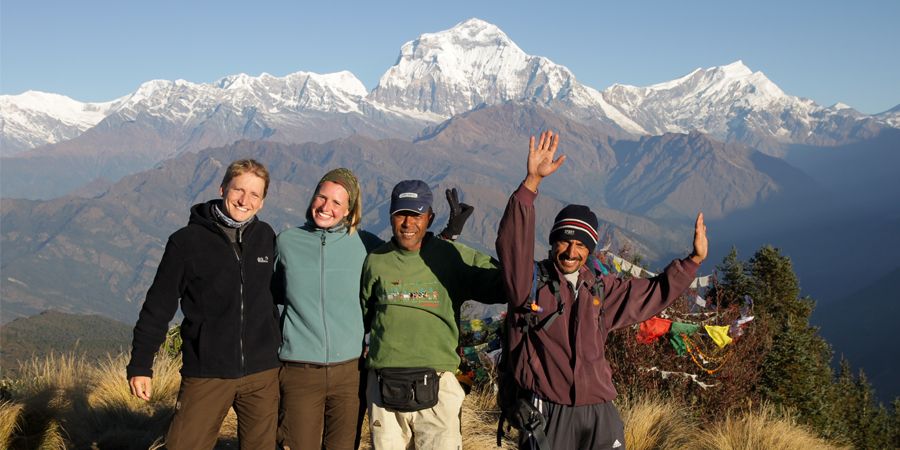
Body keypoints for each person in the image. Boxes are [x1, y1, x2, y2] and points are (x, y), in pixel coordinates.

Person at [495, 131, 708, 450]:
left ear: (590, 251)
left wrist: (692, 262)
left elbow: (652, 294)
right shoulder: (529, 283)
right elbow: (512, 245)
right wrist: (530, 184)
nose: (570, 252)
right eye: (565, 241)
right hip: (549, 411)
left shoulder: (601, 290)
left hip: (600, 412)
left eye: (581, 245)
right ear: (553, 242)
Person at [275, 171, 476, 450]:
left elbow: (407, 259)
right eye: (322, 197)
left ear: (349, 209)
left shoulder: (365, 244)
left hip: (349, 372)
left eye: (337, 201)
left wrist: (445, 238)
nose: (326, 206)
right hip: (300, 369)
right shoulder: (286, 242)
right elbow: (272, 293)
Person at [126, 159, 281, 450]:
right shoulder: (186, 242)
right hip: (207, 371)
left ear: (262, 203)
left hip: (263, 372)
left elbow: (286, 294)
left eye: (255, 195)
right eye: (238, 190)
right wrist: (141, 365)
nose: (244, 200)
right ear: (223, 188)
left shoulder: (266, 238)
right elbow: (158, 306)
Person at [360, 180, 504, 450]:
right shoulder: (376, 260)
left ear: (430, 218)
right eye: (401, 214)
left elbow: (503, 284)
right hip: (383, 388)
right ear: (390, 215)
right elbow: (365, 316)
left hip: (438, 386)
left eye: (416, 214)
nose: (407, 222)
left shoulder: (451, 257)